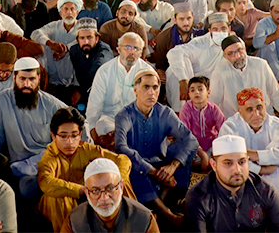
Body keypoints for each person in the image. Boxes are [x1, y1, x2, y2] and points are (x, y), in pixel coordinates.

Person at [114, 68, 196, 225]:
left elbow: (190, 140)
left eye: (155, 87)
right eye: (146, 87)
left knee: (183, 149)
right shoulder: (124, 115)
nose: (151, 92)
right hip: (139, 169)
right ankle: (167, 214)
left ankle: (158, 207)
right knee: (127, 162)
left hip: (161, 165)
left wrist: (172, 166)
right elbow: (121, 147)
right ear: (135, 89)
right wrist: (153, 172)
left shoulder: (165, 113)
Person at [39, 107, 134, 232]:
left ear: (80, 135)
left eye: (74, 136)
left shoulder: (86, 149)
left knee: (120, 183)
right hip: (65, 202)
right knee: (58, 197)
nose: (69, 142)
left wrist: (117, 181)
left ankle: (133, 225)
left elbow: (123, 160)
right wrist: (82, 190)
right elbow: (46, 182)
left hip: (91, 194)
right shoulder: (49, 157)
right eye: (63, 136)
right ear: (53, 136)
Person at [0, 56, 68, 197]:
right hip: (17, 167)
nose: (27, 84)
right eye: (22, 79)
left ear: (38, 78)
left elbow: (78, 123)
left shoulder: (52, 105)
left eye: (31, 79)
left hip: (48, 163)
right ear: (14, 78)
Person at [184, 134, 279, 232]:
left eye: (242, 162)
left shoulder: (266, 191)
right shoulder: (198, 198)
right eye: (228, 163)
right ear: (214, 165)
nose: (237, 170)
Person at [220, 86, 279, 197]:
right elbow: (225, 157)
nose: (256, 114)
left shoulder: (276, 124)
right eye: (249, 109)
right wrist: (260, 169)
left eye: (259, 107)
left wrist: (256, 155)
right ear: (240, 112)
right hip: (243, 174)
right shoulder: (230, 127)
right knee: (230, 162)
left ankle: (271, 202)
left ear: (265, 106)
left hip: (273, 175)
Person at [86, 32, 154, 143]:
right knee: (102, 127)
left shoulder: (147, 72)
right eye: (127, 47)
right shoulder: (105, 71)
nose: (132, 52)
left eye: (136, 49)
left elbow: (150, 106)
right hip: (109, 120)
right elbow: (94, 107)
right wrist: (92, 131)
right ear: (118, 49)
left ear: (141, 53)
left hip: (137, 120)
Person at [60, 157, 158, 233]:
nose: (104, 198)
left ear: (121, 187)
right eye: (95, 191)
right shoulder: (74, 221)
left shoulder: (143, 219)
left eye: (110, 188)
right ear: (86, 192)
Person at [210, 34, 279, 118]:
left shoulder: (261, 65)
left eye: (239, 50)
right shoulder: (219, 73)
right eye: (231, 53)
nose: (238, 56)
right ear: (225, 57)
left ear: (245, 49)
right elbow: (213, 103)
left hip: (264, 117)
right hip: (236, 120)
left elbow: (275, 93)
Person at [178, 75, 225, 172]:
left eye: (200, 89)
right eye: (192, 90)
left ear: (208, 93)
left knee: (222, 160)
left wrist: (217, 148)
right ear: (189, 94)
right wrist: (200, 152)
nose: (197, 93)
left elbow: (223, 130)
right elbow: (185, 134)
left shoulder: (214, 109)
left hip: (212, 146)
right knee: (186, 159)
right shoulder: (186, 109)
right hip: (193, 146)